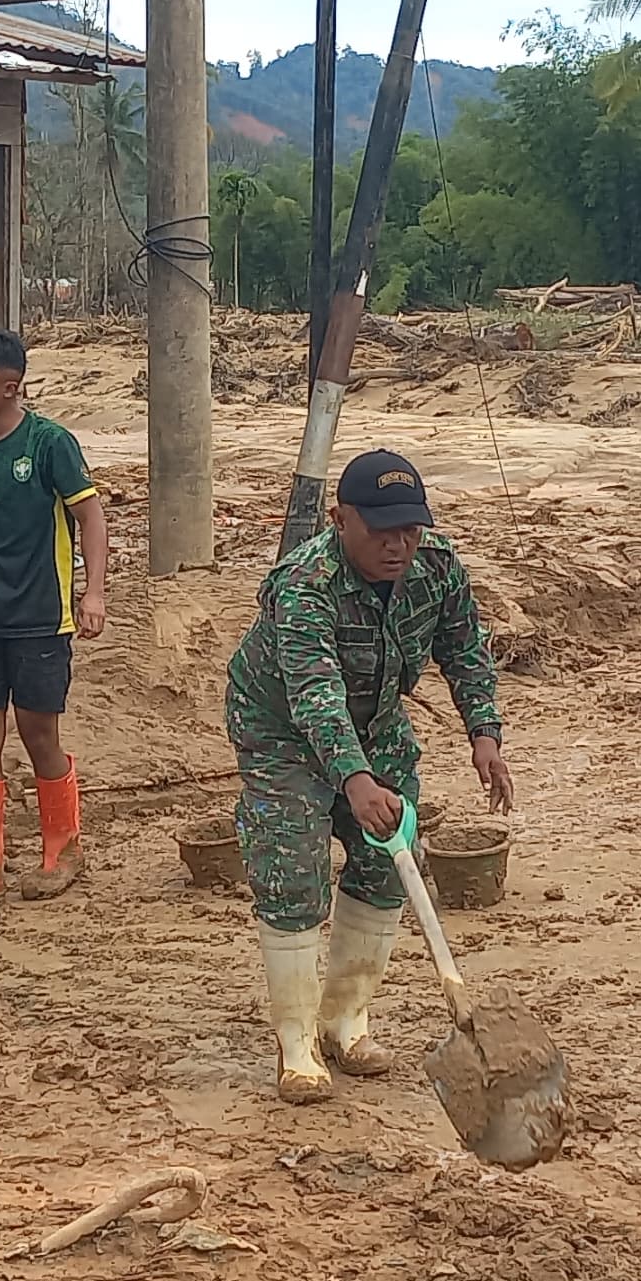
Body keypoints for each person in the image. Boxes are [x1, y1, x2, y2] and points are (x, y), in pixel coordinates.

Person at [221, 448, 512, 1103]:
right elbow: (314, 692)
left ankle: (345, 1021)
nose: (397, 545)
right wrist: (353, 779)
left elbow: (464, 648)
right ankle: (297, 1044)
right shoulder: (305, 583)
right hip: (281, 729)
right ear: (340, 519)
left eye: (409, 530)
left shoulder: (436, 567)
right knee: (293, 868)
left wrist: (483, 732)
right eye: (381, 531)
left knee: (388, 859)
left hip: (375, 721)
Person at [0, 329, 108, 917]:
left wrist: (93, 593)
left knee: (39, 735)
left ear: (11, 388)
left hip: (39, 616)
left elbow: (91, 518)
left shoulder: (50, 444)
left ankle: (62, 850)